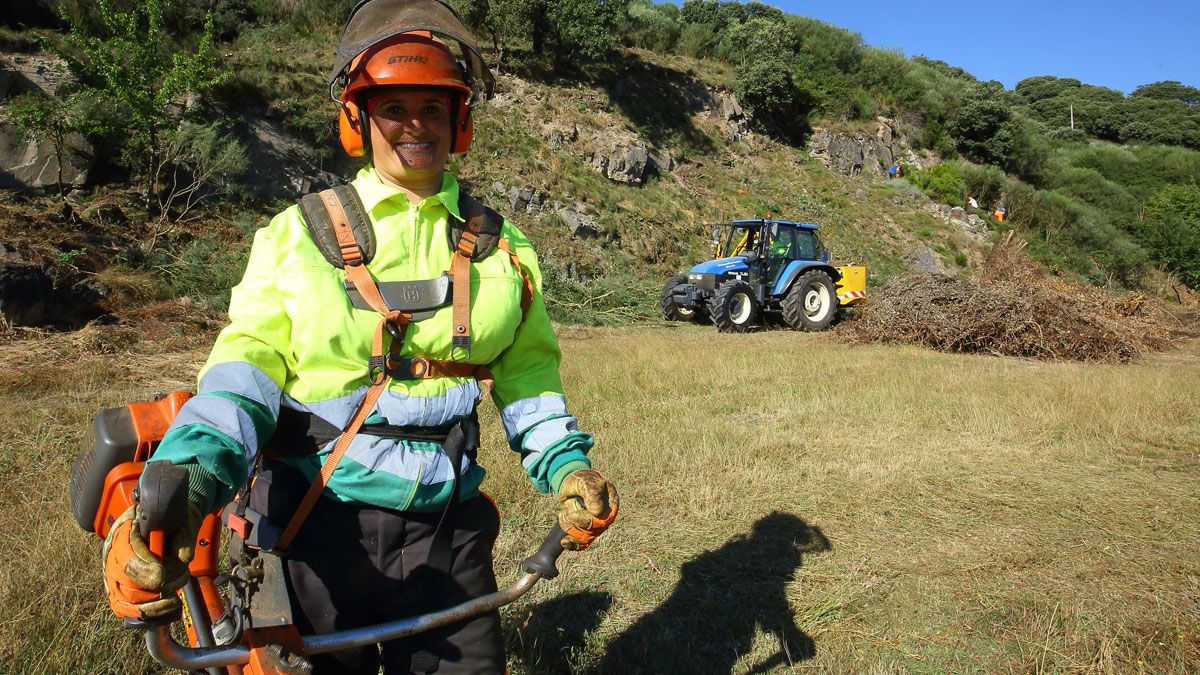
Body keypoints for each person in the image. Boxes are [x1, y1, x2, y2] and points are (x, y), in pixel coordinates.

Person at [100, 1, 618, 672]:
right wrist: (195, 476)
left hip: (448, 532)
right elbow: (243, 373)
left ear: (459, 122)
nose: (415, 125)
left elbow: (528, 382)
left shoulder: (504, 250)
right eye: (393, 107)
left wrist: (567, 465)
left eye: (434, 108)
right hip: (316, 530)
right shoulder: (294, 237)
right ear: (356, 120)